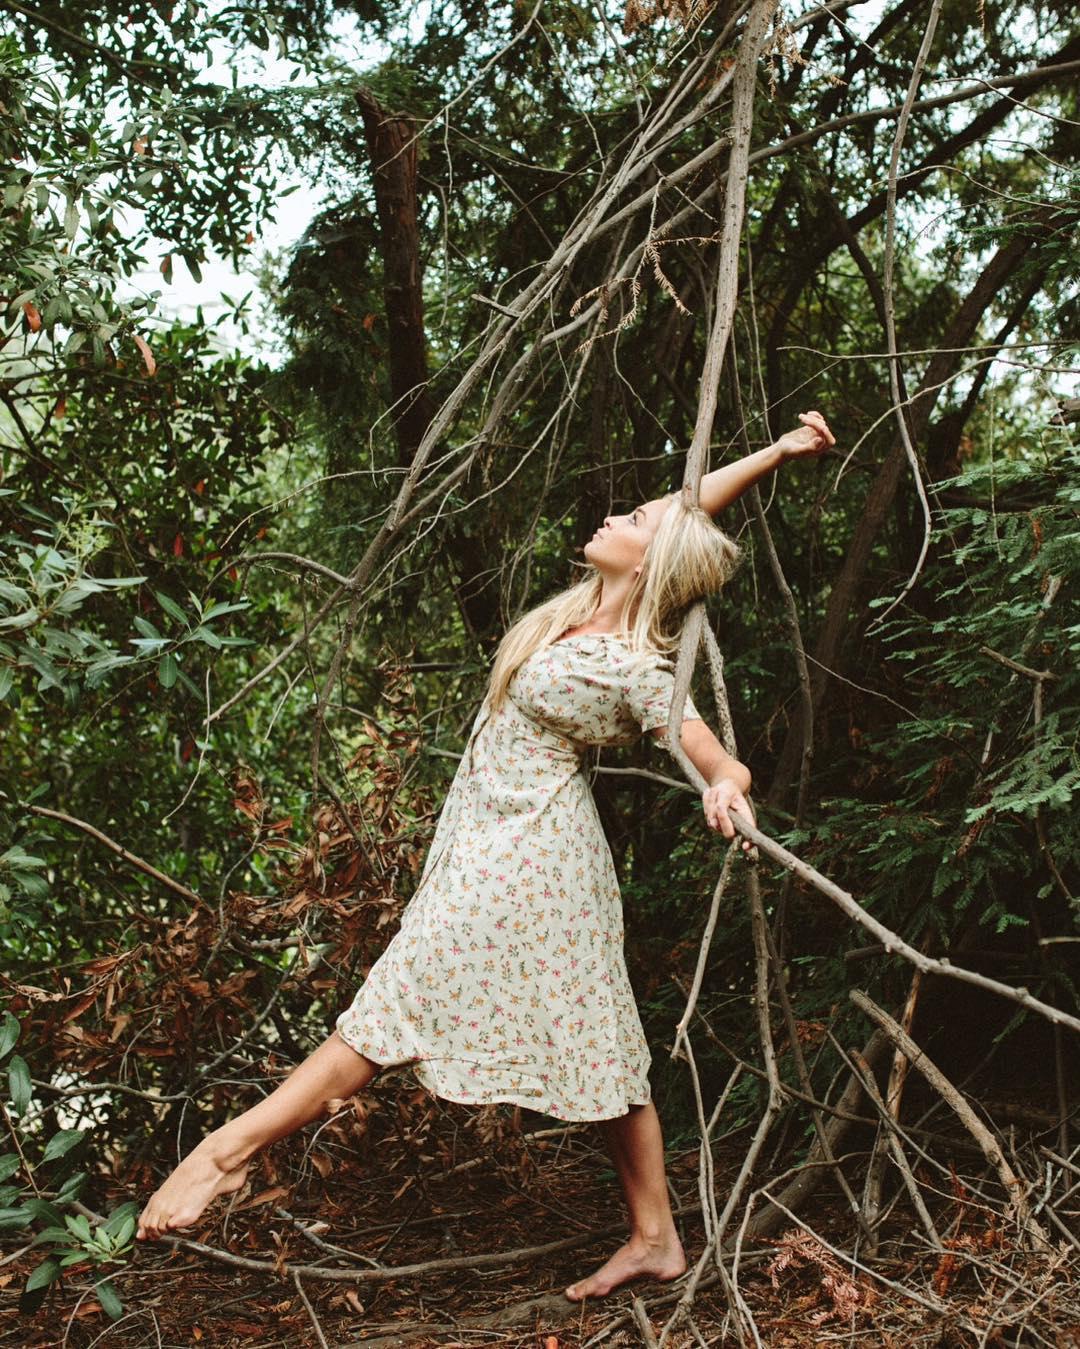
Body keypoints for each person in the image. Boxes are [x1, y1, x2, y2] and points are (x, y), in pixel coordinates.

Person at [136, 411, 835, 1304]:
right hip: (500, 844)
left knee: (397, 999)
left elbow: (708, 750)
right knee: (598, 1039)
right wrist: (778, 451)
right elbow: (688, 506)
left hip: (529, 859)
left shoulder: (632, 665)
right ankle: (656, 1235)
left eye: (634, 519)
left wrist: (726, 785)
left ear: (649, 562)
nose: (619, 512)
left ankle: (226, 1150)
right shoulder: (585, 612)